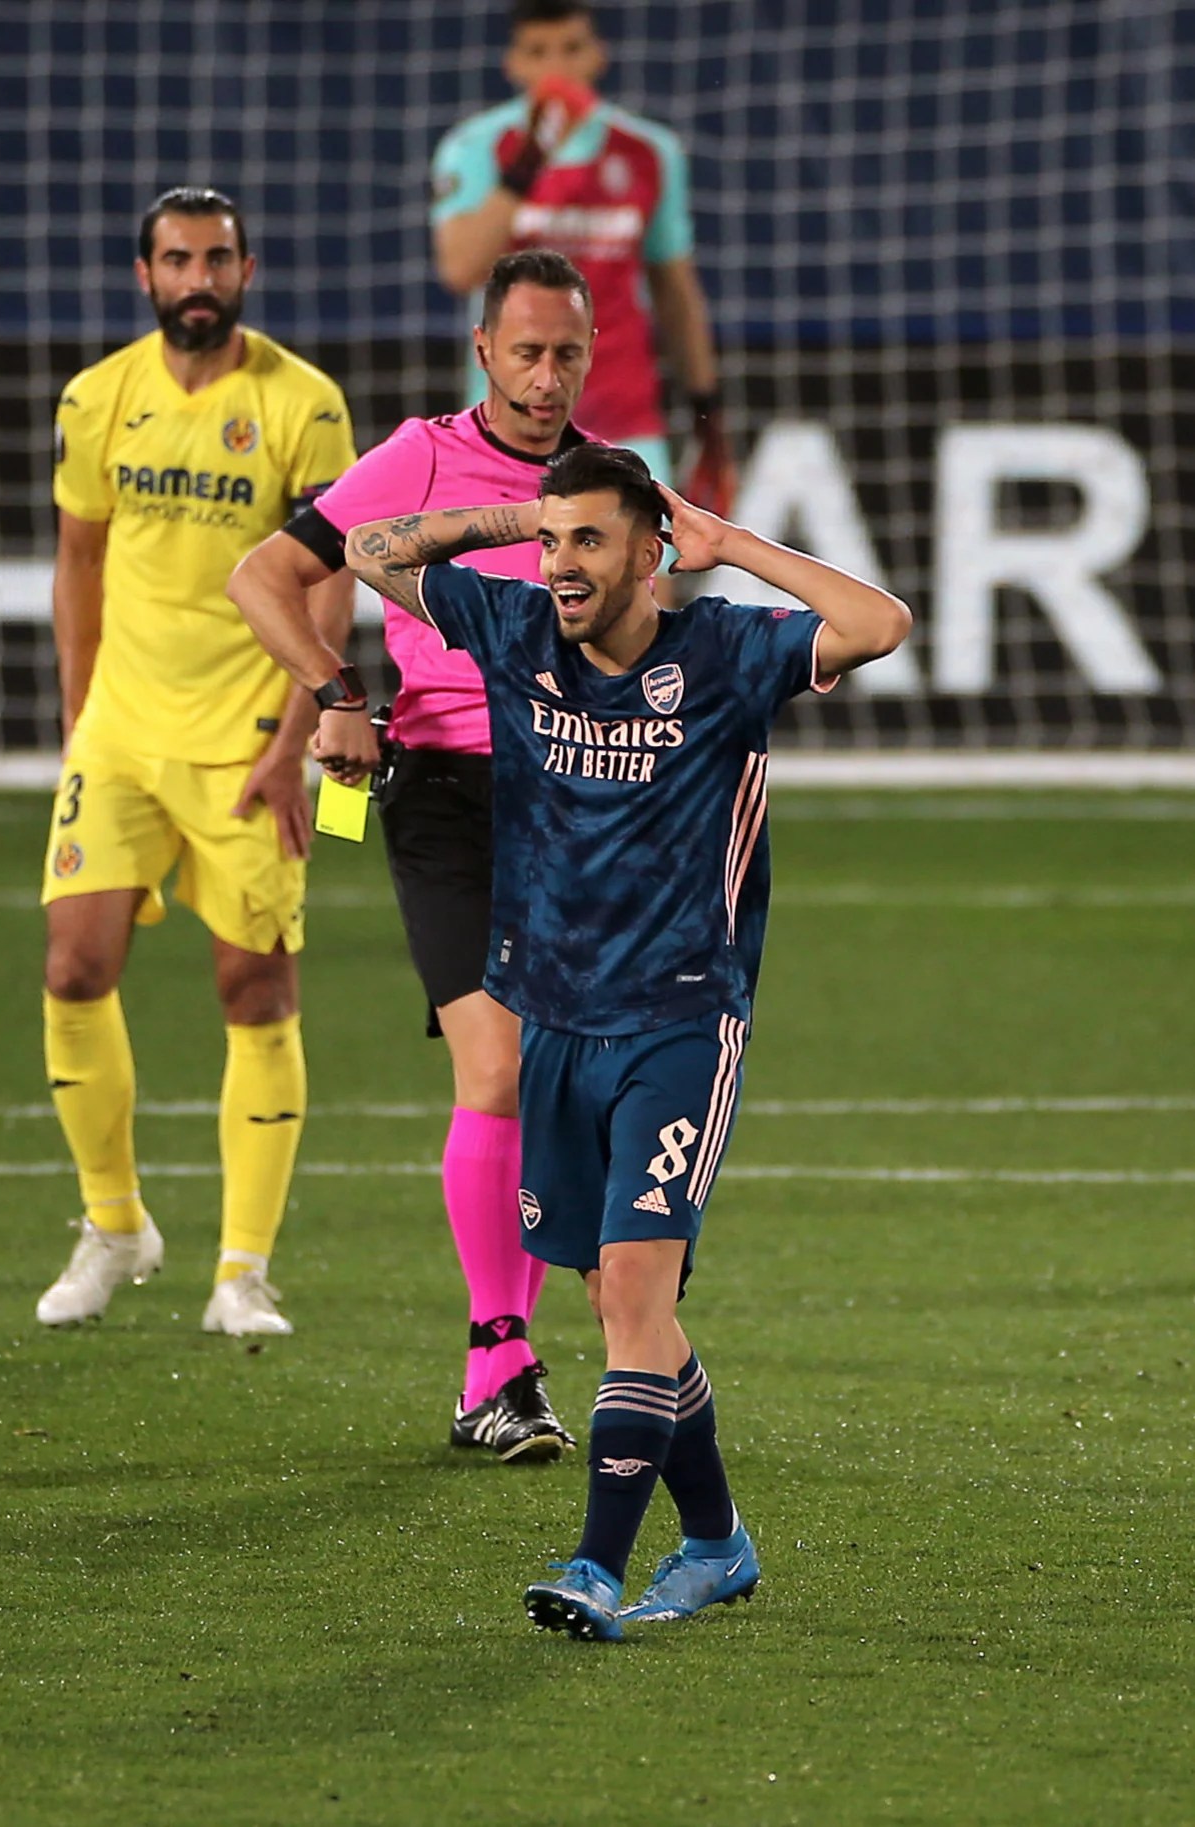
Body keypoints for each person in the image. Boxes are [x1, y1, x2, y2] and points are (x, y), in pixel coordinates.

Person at [302, 446, 909, 1638]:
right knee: (623, 1313)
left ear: (647, 551)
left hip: (679, 1022)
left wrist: (727, 545)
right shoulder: (513, 625)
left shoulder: (724, 654)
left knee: (632, 1292)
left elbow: (876, 622)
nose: (560, 565)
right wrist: (515, 514)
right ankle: (716, 1541)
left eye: (588, 542)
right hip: (555, 1025)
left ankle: (591, 1568)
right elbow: (366, 548)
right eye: (551, 543)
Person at [225, 250, 594, 1461]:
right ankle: (498, 1358)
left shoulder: (609, 485)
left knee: (546, 1085)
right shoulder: (418, 459)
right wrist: (334, 692)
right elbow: (265, 574)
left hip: (582, 795)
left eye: (567, 354)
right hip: (442, 790)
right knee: (491, 1072)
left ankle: (498, 1373)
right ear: (482, 350)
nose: (546, 377)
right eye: (526, 351)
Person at [31, 187, 358, 1338]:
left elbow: (328, 581)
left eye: (216, 259)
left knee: (253, 988)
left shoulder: (303, 406)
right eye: (177, 260)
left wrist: (292, 744)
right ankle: (112, 1224)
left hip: (244, 743)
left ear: (246, 270)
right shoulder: (96, 400)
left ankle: (241, 1271)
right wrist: (82, 718)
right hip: (121, 734)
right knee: (73, 968)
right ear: (145, 275)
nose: (197, 278)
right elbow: (78, 559)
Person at [429, 0, 733, 513]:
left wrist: (708, 416)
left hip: (623, 415)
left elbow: (675, 291)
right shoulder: (478, 147)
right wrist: (533, 156)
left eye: (571, 49)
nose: (557, 67)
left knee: (642, 581)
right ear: (514, 64)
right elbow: (461, 268)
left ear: (598, 56)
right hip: (510, 417)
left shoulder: (647, 151)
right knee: (512, 584)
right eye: (538, 52)